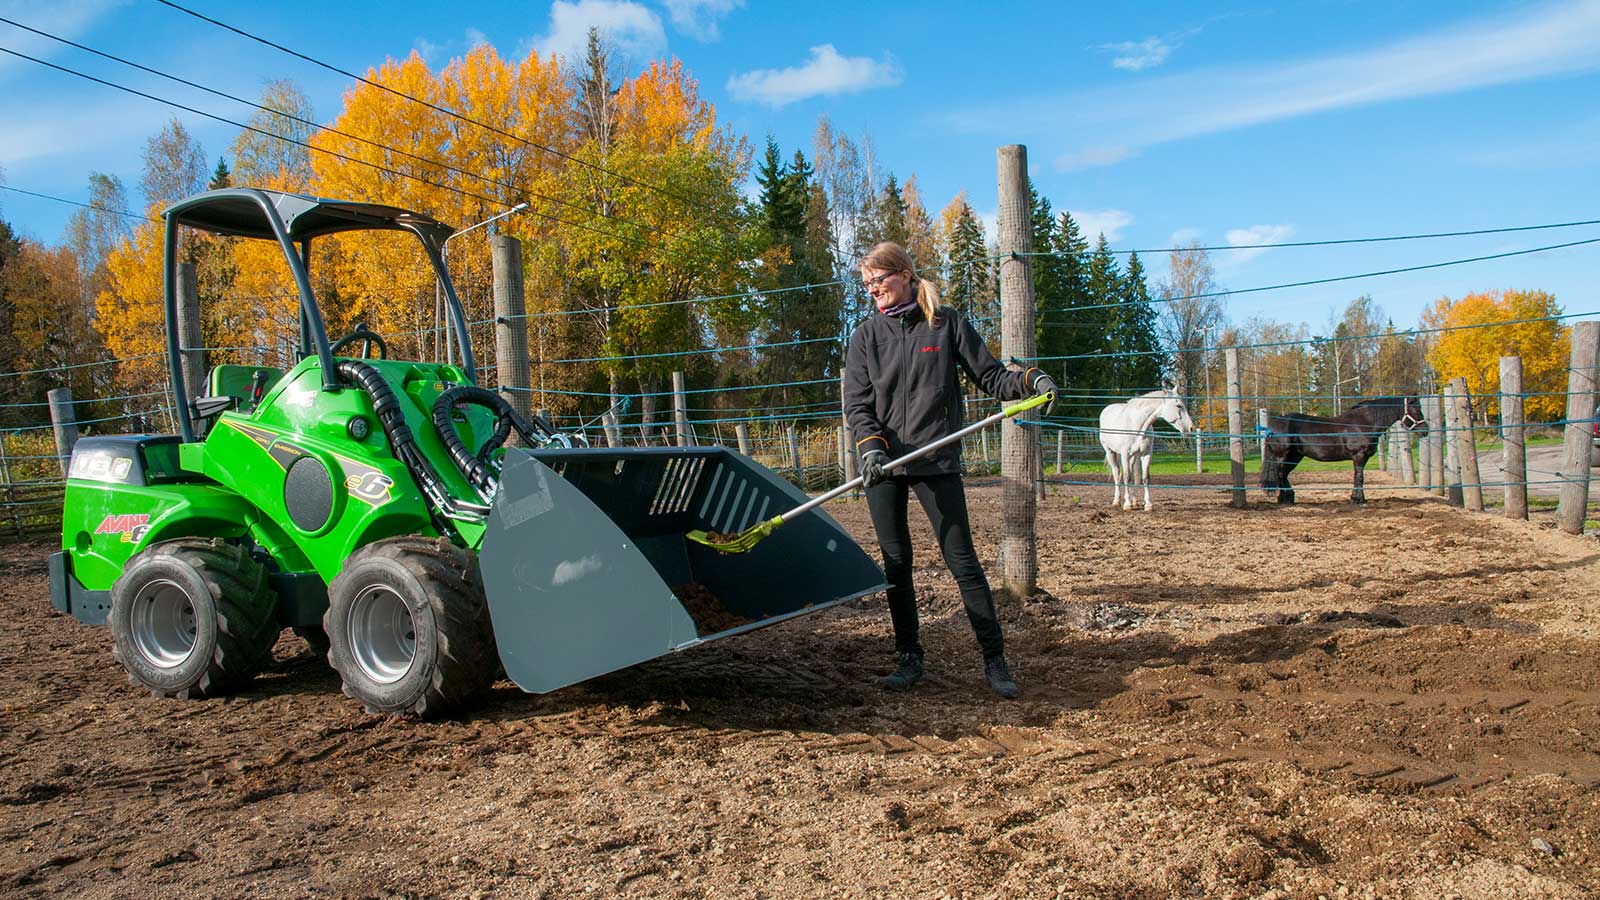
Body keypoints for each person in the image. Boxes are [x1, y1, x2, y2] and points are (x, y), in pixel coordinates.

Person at [843, 242, 1056, 699]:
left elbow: (992, 376)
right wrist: (871, 450)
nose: (873, 290)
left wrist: (1029, 380)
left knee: (962, 562)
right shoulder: (865, 337)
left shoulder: (946, 323)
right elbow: (858, 405)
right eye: (867, 285)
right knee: (896, 564)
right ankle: (909, 657)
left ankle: (994, 659)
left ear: (903, 273)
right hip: (884, 465)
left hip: (935, 459)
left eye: (879, 280)